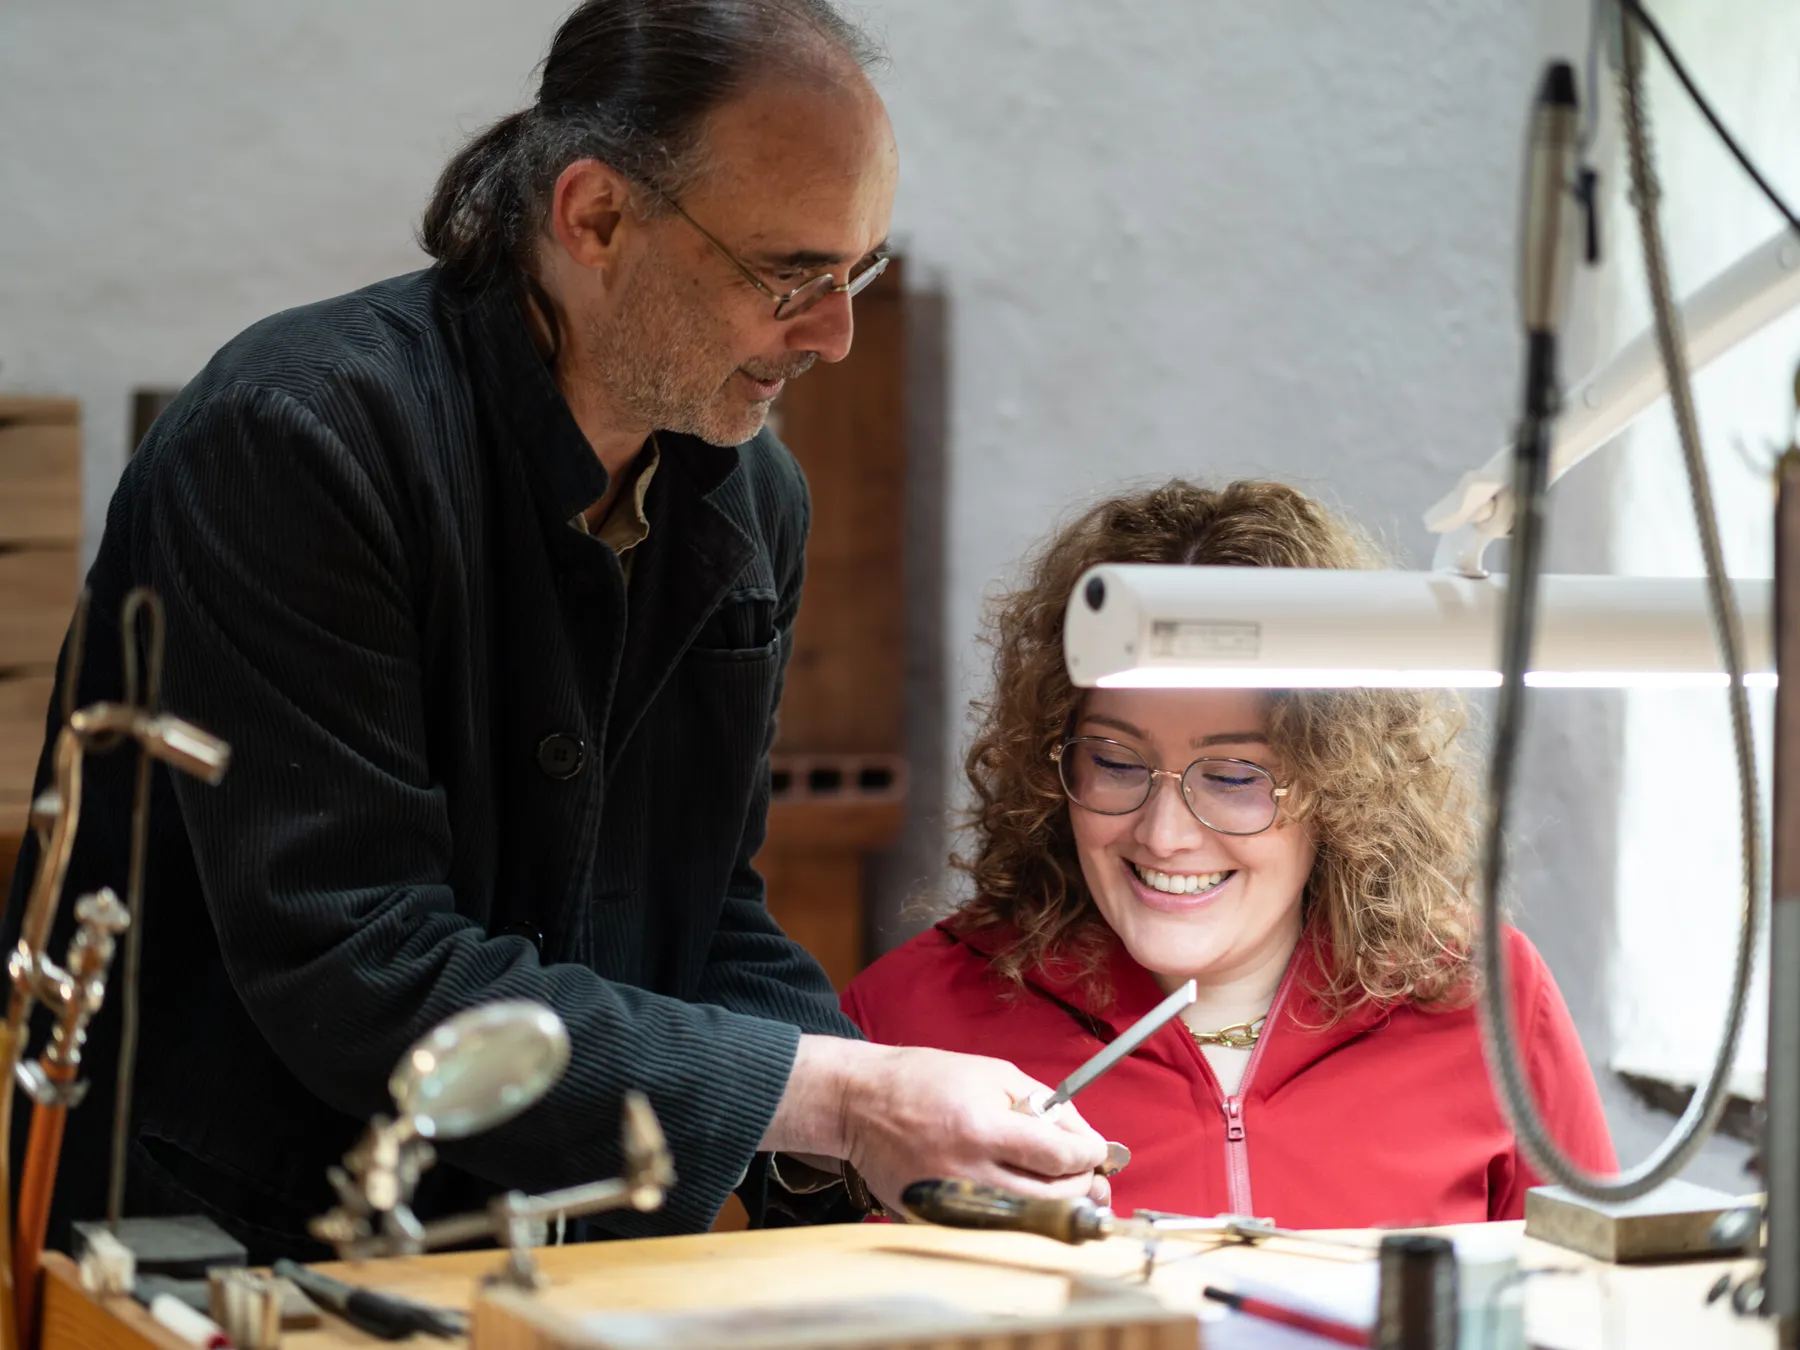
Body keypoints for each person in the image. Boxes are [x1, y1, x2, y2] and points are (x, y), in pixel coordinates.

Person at [5, 0, 1107, 1259]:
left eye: (857, 272)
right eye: (790, 276)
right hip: (233, 1237)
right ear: (595, 218)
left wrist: (893, 1155)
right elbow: (361, 966)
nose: (837, 335)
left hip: (540, 1242)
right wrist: (847, 1103)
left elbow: (706, 916)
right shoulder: (299, 438)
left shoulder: (749, 496)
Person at [843, 480, 1617, 1227]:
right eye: (1114, 762)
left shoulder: (1486, 998)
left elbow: (1594, 1314)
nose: (1164, 834)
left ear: (1336, 781)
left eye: (1235, 776)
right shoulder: (904, 1029)